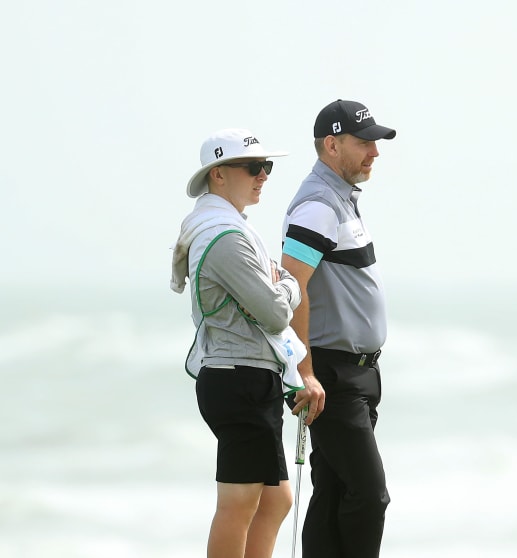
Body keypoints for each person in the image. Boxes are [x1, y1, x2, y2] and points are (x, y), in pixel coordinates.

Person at [170, 128, 306, 558]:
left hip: (246, 376)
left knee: (276, 498)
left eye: (266, 167)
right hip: (237, 379)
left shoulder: (225, 229)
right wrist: (287, 281)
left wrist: (275, 281)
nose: (263, 175)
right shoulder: (224, 238)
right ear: (218, 175)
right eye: (253, 167)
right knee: (239, 503)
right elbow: (275, 311)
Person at [280, 99, 397, 558]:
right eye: (364, 143)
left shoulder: (341, 199)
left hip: (356, 373)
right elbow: (292, 290)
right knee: (369, 495)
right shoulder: (317, 205)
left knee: (334, 492)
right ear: (332, 144)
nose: (375, 152)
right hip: (332, 375)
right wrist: (305, 373)